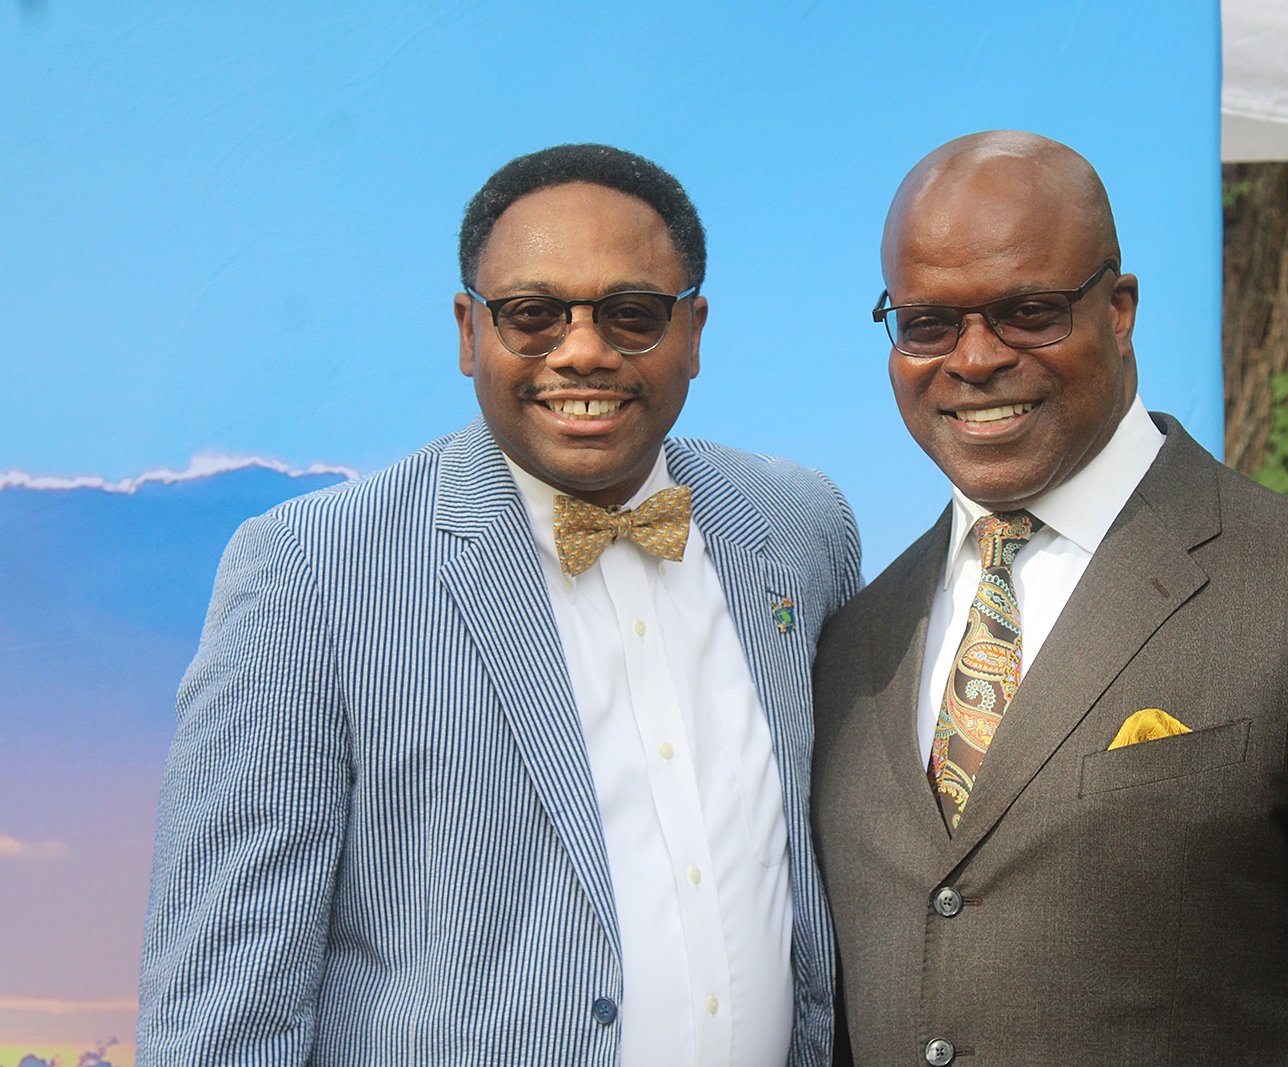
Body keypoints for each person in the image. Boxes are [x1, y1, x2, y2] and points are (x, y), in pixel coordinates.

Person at [138, 143, 860, 1066]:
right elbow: (222, 1002)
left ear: (694, 332)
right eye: (533, 315)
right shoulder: (311, 571)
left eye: (632, 314)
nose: (584, 350)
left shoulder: (801, 524)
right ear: (469, 331)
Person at [811, 131, 1288, 1066]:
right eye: (928, 323)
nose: (974, 358)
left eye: (1027, 311)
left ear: (1120, 308)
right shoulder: (859, 636)